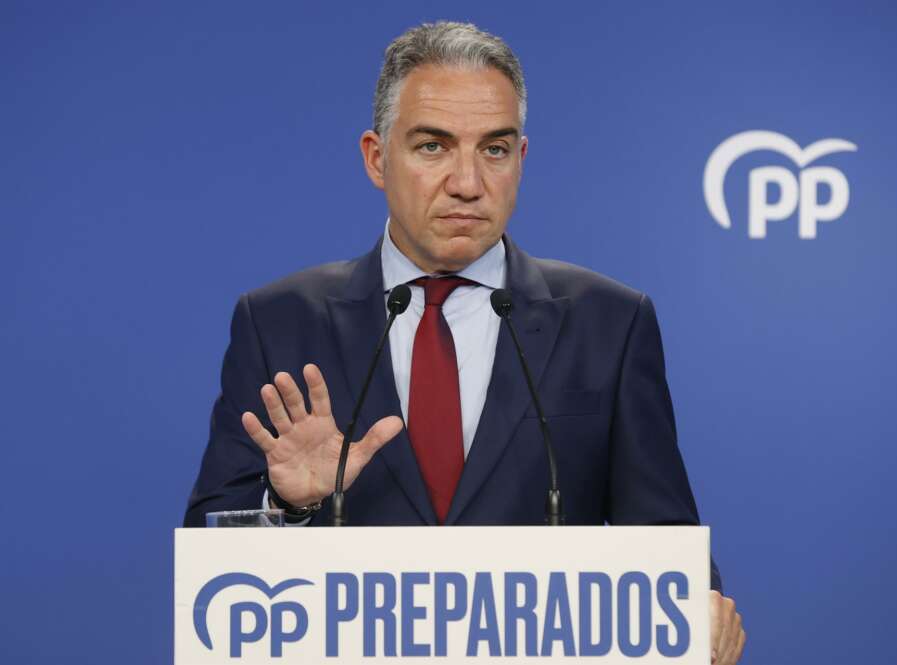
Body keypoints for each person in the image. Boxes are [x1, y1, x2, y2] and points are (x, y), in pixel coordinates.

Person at [185, 21, 745, 664]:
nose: (468, 182)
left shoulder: (610, 323)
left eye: (495, 149)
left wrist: (700, 608)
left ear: (521, 160)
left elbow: (665, 545)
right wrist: (289, 505)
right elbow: (210, 562)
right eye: (433, 147)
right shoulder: (278, 320)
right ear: (376, 157)